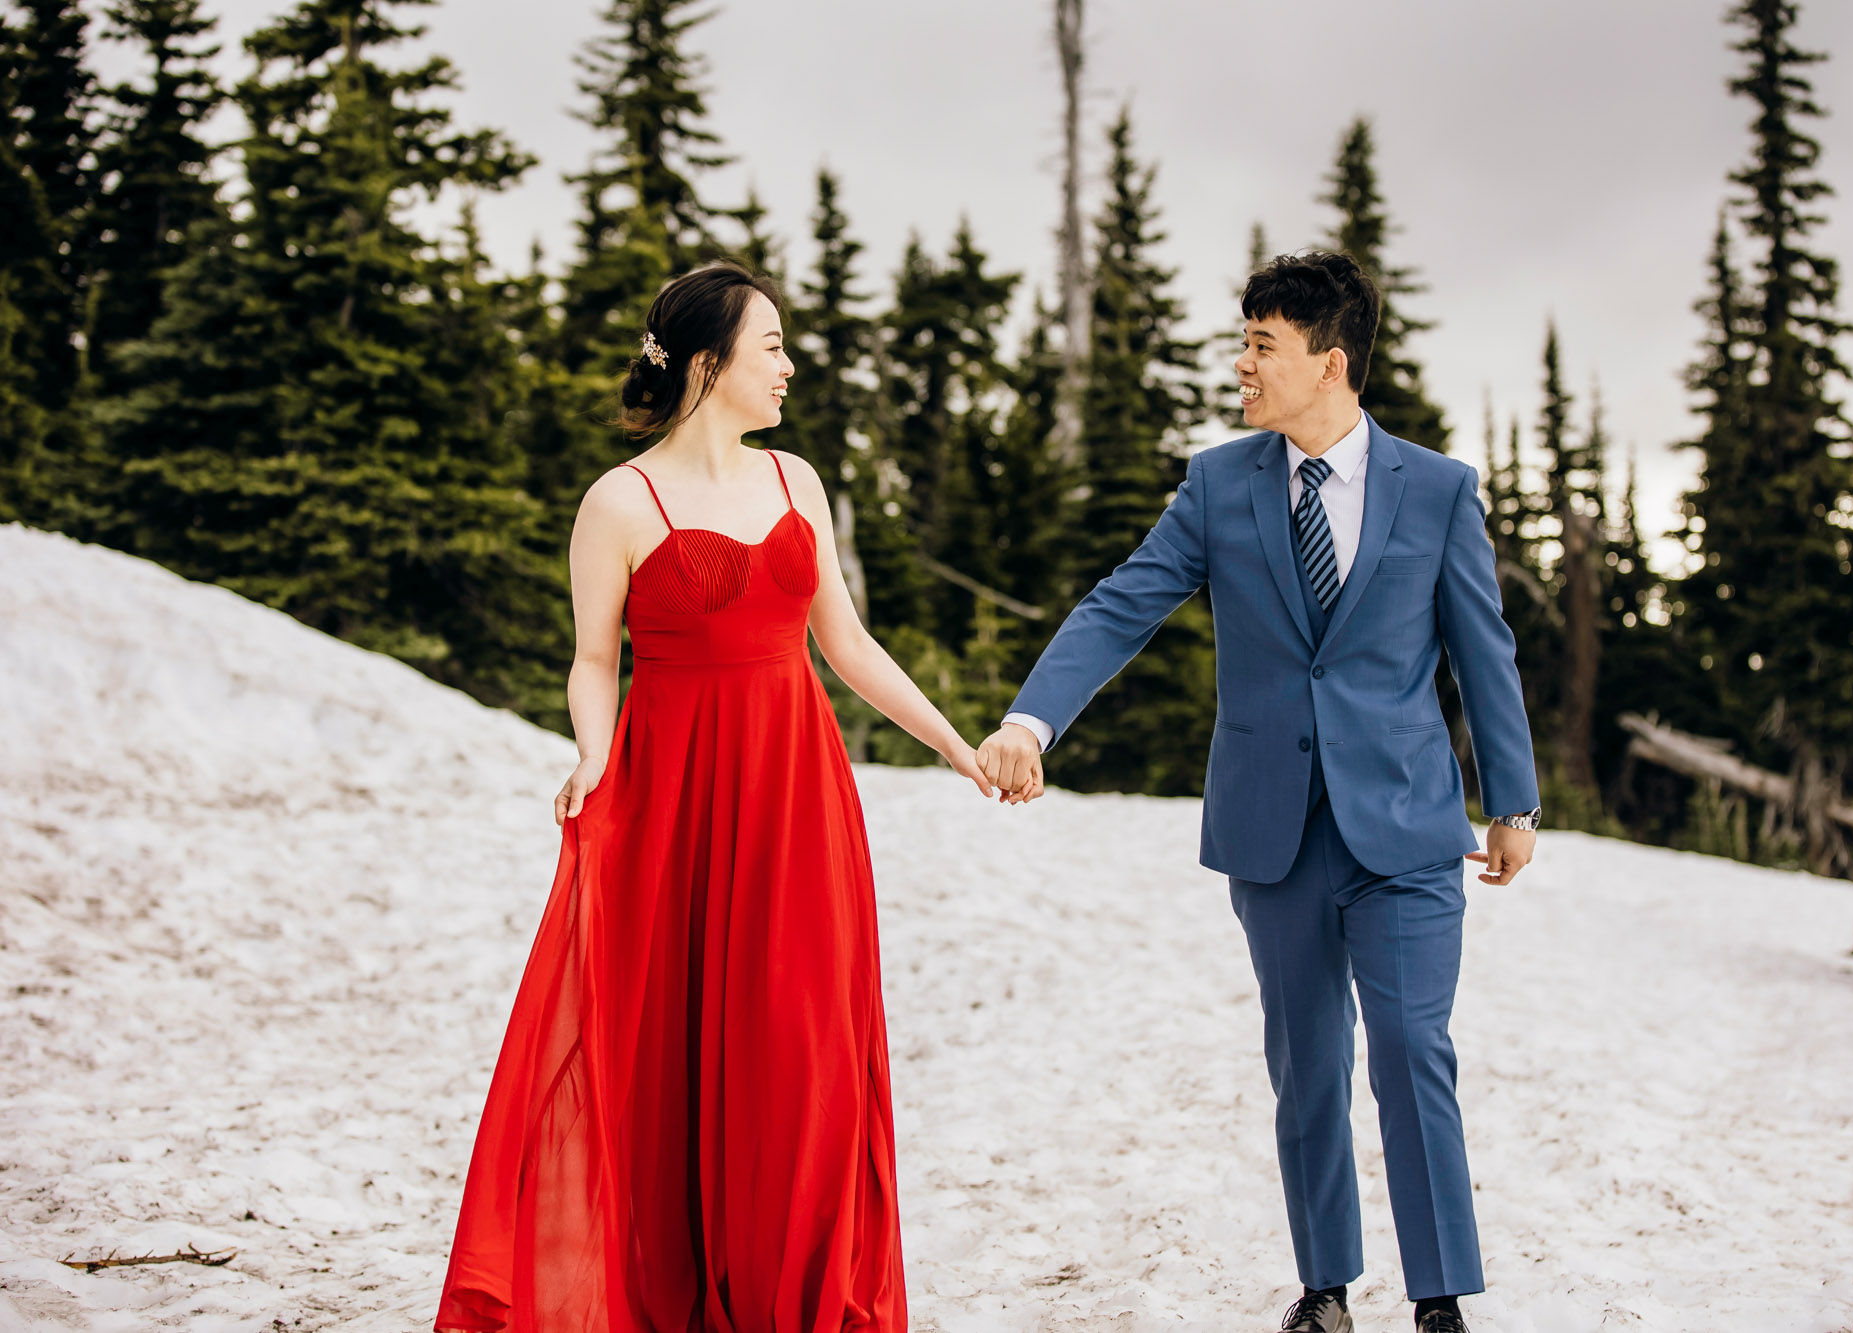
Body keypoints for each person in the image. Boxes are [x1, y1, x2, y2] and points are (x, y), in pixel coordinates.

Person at [435, 262, 1018, 1333]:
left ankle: (786, 1301)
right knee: (670, 1060)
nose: (789, 367)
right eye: (772, 346)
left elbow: (843, 643)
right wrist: (590, 754)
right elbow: (591, 660)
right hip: (673, 805)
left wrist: (949, 742)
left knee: (803, 1060)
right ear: (708, 363)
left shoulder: (797, 480)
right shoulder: (617, 500)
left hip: (798, 800)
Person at [978, 251, 1540, 1333]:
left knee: (1413, 1052)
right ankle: (1324, 1289)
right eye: (1240, 341)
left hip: (1409, 828)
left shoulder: (1436, 489)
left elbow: (1483, 651)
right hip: (1272, 830)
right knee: (1306, 1062)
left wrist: (1509, 804)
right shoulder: (1216, 483)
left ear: (1329, 363)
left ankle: (1437, 1302)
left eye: (1260, 345)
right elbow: (1120, 603)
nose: (1239, 363)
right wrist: (1029, 716)